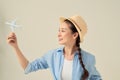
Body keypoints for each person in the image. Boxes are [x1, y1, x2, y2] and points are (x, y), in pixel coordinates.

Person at [7, 15, 102, 80]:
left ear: (75, 35)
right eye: (59, 30)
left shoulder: (88, 58)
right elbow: (28, 67)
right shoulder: (53, 55)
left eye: (63, 31)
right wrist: (15, 47)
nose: (58, 34)